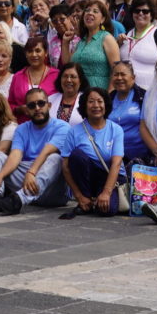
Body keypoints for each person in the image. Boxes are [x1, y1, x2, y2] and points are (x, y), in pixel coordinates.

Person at [58, 87, 125, 219]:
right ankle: (86, 200)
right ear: (84, 106)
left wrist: (106, 192)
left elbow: (116, 163)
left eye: (100, 101)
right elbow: (65, 167)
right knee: (77, 155)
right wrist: (79, 196)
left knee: (106, 210)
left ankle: (97, 200)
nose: (96, 106)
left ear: (106, 104)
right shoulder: (74, 131)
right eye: (91, 102)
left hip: (110, 177)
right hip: (88, 178)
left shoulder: (116, 129)